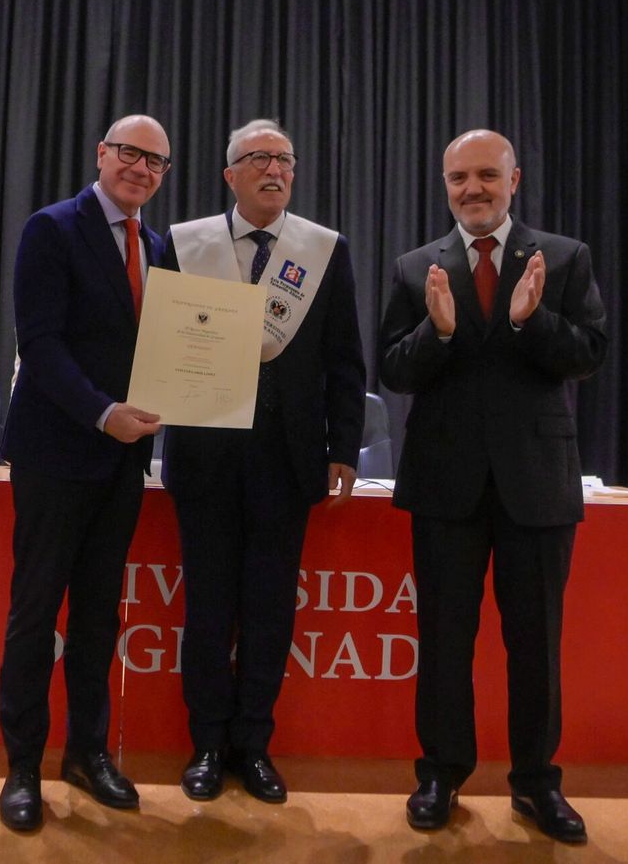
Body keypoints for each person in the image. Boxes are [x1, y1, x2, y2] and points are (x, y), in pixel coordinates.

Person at [377, 128, 606, 844]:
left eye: (485, 175)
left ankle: (537, 782)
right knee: (444, 639)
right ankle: (440, 773)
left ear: (514, 179)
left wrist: (533, 320)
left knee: (536, 643)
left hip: (536, 484)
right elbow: (393, 370)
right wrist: (439, 334)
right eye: (458, 178)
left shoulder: (563, 258)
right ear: (445, 185)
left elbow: (588, 353)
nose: (472, 189)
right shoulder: (416, 268)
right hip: (445, 485)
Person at [158, 118, 365, 803]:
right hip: (204, 456)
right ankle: (207, 744)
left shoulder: (324, 251)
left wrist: (343, 448)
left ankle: (253, 744)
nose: (275, 170)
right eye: (259, 159)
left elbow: (344, 360)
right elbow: (161, 343)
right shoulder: (185, 245)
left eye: (284, 159)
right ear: (230, 175)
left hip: (287, 458)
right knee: (208, 607)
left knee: (271, 609)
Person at [0, 115, 171, 831]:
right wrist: (103, 413)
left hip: (122, 460)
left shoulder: (157, 247)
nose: (140, 168)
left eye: (155, 161)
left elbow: (168, 346)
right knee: (36, 612)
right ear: (101, 153)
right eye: (129, 152)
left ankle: (87, 753)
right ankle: (21, 766)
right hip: (54, 453)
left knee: (100, 613)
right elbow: (39, 345)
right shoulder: (51, 228)